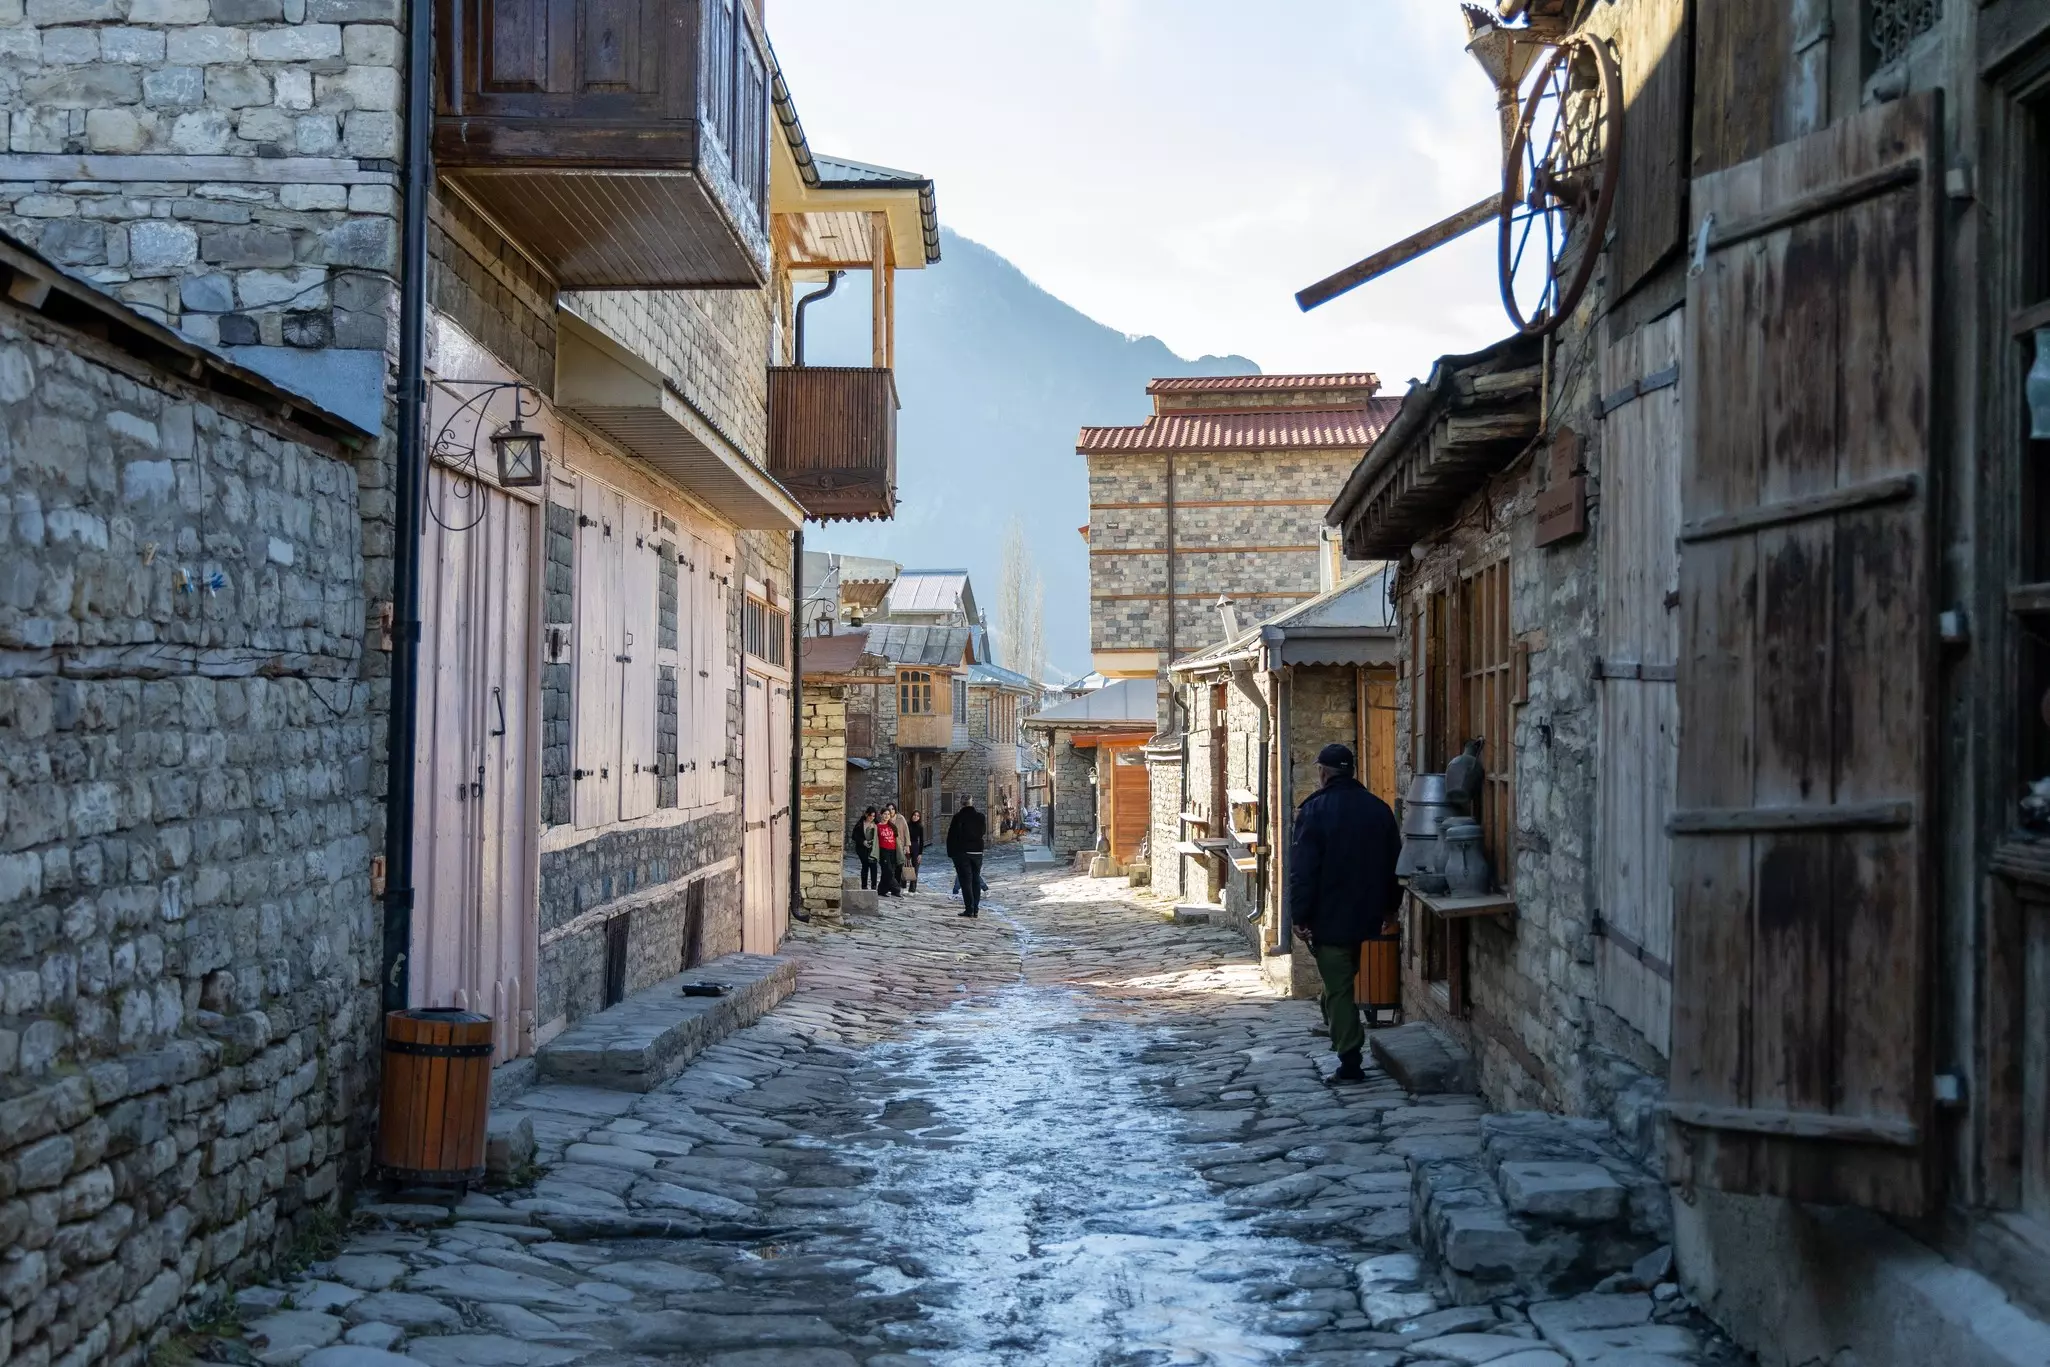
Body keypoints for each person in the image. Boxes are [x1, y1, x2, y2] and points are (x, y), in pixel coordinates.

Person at [1289, 742, 1402, 1084]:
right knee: (1338, 984)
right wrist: (1390, 908)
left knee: (1338, 989)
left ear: (1323, 773)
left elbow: (1303, 870)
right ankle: (1342, 1034)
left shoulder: (1315, 811)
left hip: (1330, 917)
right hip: (1367, 914)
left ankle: (1350, 1061)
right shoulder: (1378, 809)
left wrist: (1299, 915)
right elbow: (1394, 863)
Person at [946, 796, 987, 918]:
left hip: (962, 852)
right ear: (971, 802)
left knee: (965, 881)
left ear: (961, 804)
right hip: (977, 852)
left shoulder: (958, 817)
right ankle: (976, 908)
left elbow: (952, 836)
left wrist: (951, 853)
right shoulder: (980, 817)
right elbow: (983, 832)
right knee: (975, 880)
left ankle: (969, 908)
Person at [876, 803, 908, 897]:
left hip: (893, 851)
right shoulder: (877, 826)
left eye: (888, 814)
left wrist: (904, 847)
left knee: (888, 872)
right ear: (881, 815)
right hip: (883, 851)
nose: (886, 816)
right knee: (888, 871)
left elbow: (897, 840)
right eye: (885, 814)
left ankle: (882, 890)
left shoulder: (892, 827)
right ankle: (896, 889)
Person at [850, 807, 879, 890]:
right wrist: (863, 842)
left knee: (874, 866)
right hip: (862, 849)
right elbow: (854, 836)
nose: (872, 818)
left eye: (873, 816)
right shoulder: (860, 824)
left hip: (873, 849)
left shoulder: (876, 824)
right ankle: (864, 886)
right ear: (866, 814)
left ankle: (874, 886)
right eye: (870, 816)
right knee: (865, 865)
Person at [907, 810, 927, 893]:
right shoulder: (907, 824)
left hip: (915, 846)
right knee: (905, 866)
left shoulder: (920, 826)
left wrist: (920, 854)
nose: (916, 817)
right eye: (914, 815)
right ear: (912, 816)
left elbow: (922, 841)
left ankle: (912, 888)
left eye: (918, 816)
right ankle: (902, 885)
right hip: (907, 845)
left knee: (915, 868)